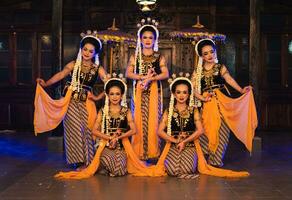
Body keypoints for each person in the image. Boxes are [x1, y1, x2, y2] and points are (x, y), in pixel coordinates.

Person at [34, 30, 107, 169]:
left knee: (88, 130)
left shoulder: (98, 69)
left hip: (87, 103)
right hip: (71, 101)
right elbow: (61, 75)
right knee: (74, 131)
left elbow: (110, 84)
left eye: (91, 51)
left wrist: (98, 97)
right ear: (81, 49)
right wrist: (46, 83)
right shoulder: (73, 64)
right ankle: (79, 162)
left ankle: (90, 161)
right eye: (85, 49)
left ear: (95, 54)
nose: (87, 53)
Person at [191, 38, 258, 167]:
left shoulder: (220, 67)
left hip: (222, 102)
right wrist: (202, 98)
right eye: (206, 53)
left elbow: (229, 79)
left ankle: (215, 160)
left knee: (223, 131)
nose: (209, 55)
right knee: (206, 130)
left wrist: (241, 90)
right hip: (207, 104)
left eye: (211, 52)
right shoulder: (197, 72)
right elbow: (192, 89)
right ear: (201, 56)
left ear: (215, 52)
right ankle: (204, 156)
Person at [126, 18, 169, 160]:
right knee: (137, 119)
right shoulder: (135, 56)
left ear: (155, 39)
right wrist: (142, 77)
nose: (148, 40)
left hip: (154, 91)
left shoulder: (158, 56)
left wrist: (151, 79)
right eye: (145, 37)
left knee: (154, 120)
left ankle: (153, 152)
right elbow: (128, 73)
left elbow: (165, 74)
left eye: (151, 37)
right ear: (140, 39)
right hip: (139, 90)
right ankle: (138, 152)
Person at [158, 76, 203, 179]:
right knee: (172, 170)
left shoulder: (194, 110)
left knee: (187, 169)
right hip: (173, 145)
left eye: (184, 92)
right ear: (173, 94)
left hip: (190, 146)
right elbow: (159, 131)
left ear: (189, 94)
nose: (181, 95)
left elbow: (200, 130)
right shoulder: (169, 111)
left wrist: (185, 142)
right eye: (178, 92)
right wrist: (175, 141)